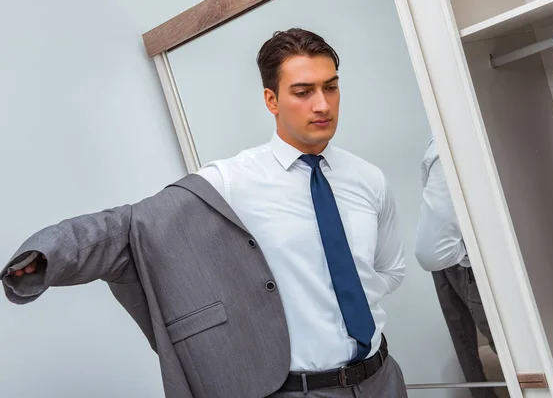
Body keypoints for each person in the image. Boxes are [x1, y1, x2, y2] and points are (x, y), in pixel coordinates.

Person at [2, 28, 407, 398]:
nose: (322, 104)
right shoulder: (231, 182)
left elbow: (388, 271)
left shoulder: (368, 179)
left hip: (384, 379)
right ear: (272, 100)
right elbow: (128, 228)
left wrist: (328, 295)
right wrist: (47, 256)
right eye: (303, 92)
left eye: (331, 87)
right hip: (299, 391)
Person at [414, 138, 499, 398]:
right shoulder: (447, 146)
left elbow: (430, 251)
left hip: (466, 259)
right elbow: (430, 253)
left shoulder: (444, 145)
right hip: (469, 262)